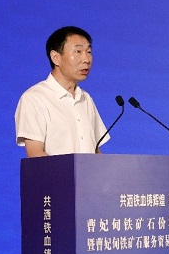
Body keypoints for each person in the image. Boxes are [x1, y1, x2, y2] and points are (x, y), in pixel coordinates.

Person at [15, 26, 109, 156]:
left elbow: (96, 150)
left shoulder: (85, 98)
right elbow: (35, 153)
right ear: (55, 57)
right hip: (57, 171)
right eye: (78, 51)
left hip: (87, 170)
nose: (86, 59)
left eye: (88, 52)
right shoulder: (34, 98)